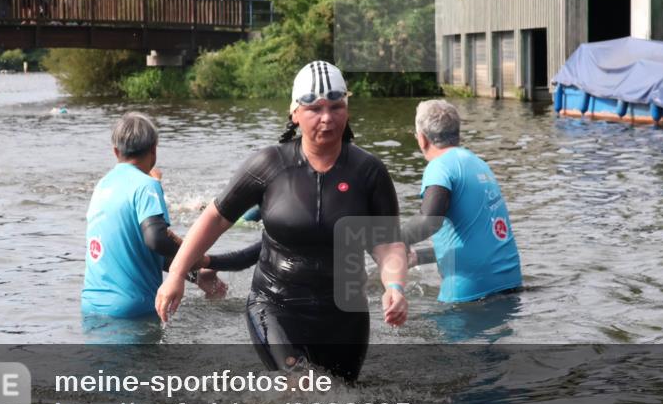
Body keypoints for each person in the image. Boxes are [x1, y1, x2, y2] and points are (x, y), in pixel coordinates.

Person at [155, 61, 408, 383]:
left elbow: (388, 244)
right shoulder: (268, 165)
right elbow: (216, 218)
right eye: (315, 108)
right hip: (276, 304)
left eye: (336, 106)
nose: (327, 117)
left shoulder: (368, 171)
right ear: (295, 113)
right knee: (300, 389)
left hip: (345, 312)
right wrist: (177, 273)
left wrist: (395, 288)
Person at [83, 112, 228, 320]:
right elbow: (156, 238)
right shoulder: (147, 185)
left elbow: (135, 252)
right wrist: (195, 259)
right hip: (134, 311)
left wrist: (195, 276)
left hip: (91, 308)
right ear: (154, 149)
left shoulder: (102, 186)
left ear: (115, 152)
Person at [402, 100, 522, 303]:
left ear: (422, 139)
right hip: (509, 285)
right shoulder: (478, 163)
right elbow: (474, 239)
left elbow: (429, 220)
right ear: (457, 133)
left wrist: (395, 239)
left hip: (469, 293)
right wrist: (418, 258)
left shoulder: (439, 167)